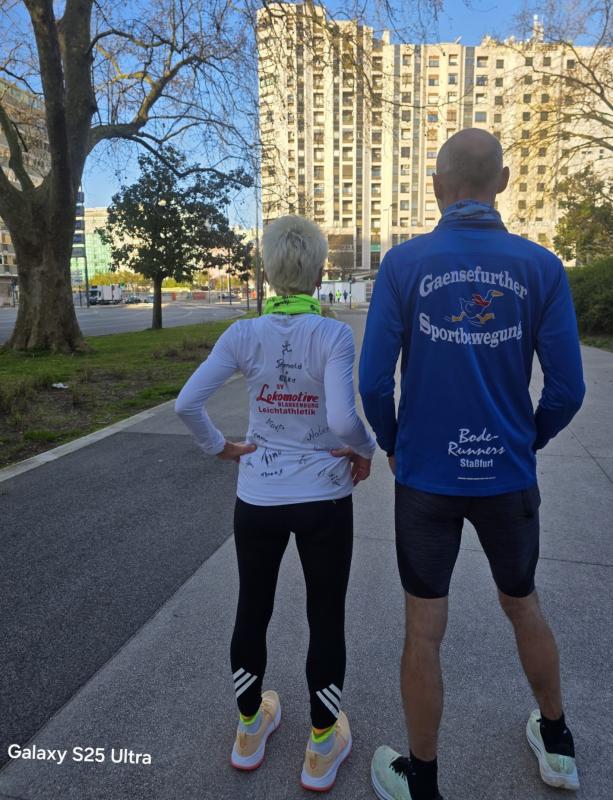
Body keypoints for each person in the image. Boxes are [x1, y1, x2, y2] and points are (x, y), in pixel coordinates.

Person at [359, 129, 585, 800]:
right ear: (504, 182)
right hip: (506, 476)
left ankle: (422, 780)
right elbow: (568, 390)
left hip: (425, 478)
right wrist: (527, 439)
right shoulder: (541, 268)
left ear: (436, 185)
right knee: (522, 603)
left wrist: (393, 441)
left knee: (424, 627)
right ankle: (557, 745)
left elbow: (373, 382)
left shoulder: (403, 265)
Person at [175, 215, 375, 792]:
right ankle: (321, 744)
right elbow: (343, 420)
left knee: (252, 607)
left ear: (267, 272)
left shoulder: (242, 334)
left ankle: (248, 728)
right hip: (324, 498)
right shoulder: (334, 335)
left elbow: (188, 403)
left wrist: (221, 447)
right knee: (325, 613)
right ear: (320, 274)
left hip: (258, 494)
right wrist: (363, 451)